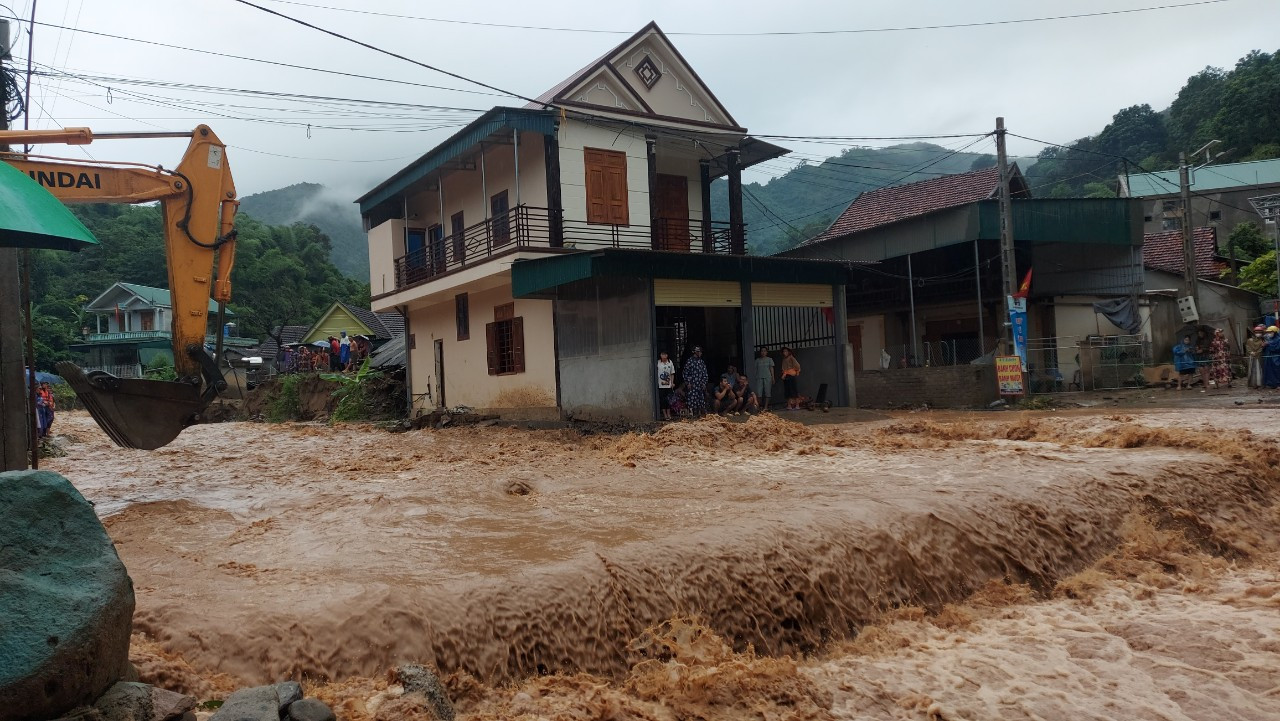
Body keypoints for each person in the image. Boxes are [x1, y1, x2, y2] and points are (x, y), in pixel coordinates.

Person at [682, 346, 709, 417]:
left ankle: (699, 413)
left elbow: (705, 373)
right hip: (692, 383)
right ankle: (691, 413)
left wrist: (704, 383)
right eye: (699, 352)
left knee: (701, 398)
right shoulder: (689, 361)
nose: (701, 353)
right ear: (696, 352)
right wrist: (688, 383)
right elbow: (685, 373)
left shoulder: (701, 362)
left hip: (700, 383)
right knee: (691, 398)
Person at [656, 351, 676, 420]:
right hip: (661, 385)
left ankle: (668, 413)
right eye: (662, 354)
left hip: (668, 385)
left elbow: (672, 373)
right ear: (660, 355)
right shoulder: (658, 362)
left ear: (667, 355)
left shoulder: (670, 362)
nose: (663, 356)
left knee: (668, 400)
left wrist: (672, 383)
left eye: (665, 354)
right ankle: (664, 414)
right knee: (662, 400)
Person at [754, 347, 775, 412]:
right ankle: (759, 406)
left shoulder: (769, 359)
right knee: (759, 393)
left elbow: (771, 369)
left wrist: (773, 377)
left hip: (768, 377)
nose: (763, 352)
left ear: (767, 352)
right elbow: (755, 370)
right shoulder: (757, 360)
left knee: (767, 392)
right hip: (759, 378)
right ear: (760, 352)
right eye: (762, 351)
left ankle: (766, 407)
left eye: (764, 351)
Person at [1246, 325, 1266, 389]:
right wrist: (1251, 352)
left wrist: (1256, 353)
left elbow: (1261, 348)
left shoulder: (1262, 341)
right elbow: (1247, 347)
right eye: (1257, 332)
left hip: (1259, 357)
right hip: (1252, 357)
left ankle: (1260, 383)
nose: (1258, 333)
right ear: (1254, 333)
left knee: (1259, 370)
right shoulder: (1249, 340)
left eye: (1260, 332)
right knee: (1252, 370)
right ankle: (1253, 384)